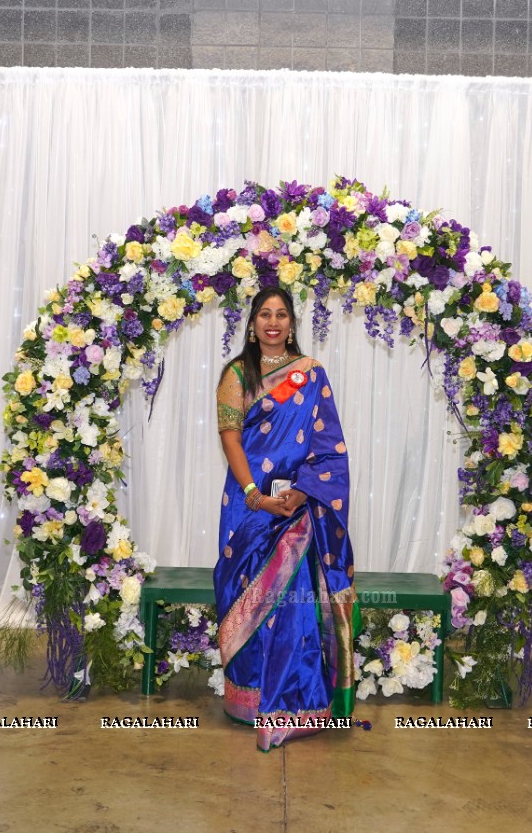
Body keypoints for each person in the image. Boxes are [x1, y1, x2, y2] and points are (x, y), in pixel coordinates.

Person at [214, 286, 357, 751]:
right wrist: (256, 495)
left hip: (298, 507)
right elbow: (232, 439)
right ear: (252, 325)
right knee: (245, 592)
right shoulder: (236, 374)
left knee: (293, 603)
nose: (272, 322)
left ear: (292, 323)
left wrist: (299, 493)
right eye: (264, 315)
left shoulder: (311, 373)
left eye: (281, 315)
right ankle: (251, 697)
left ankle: (295, 704)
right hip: (249, 505)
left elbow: (329, 445)